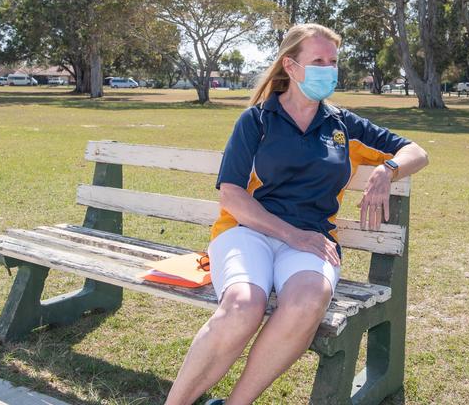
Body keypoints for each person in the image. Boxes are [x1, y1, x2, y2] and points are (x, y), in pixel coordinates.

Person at [165, 23, 429, 404]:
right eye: (318, 60)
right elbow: (232, 196)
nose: (329, 69)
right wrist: (291, 234)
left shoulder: (343, 125)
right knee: (243, 305)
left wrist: (387, 171)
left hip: (312, 242)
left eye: (333, 61)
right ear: (290, 66)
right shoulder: (256, 121)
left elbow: (416, 151)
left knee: (307, 303)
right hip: (246, 232)